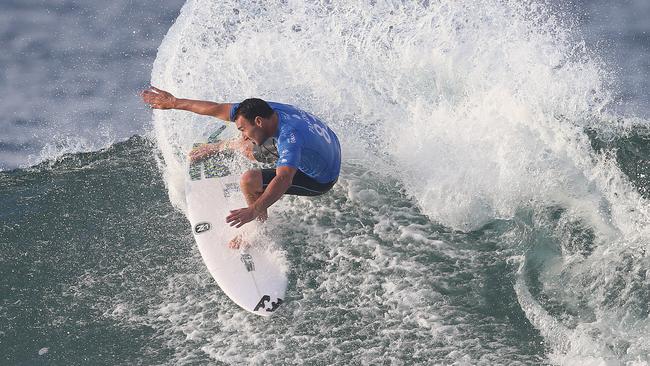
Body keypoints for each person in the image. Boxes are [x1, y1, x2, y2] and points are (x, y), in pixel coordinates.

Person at [140, 86, 341, 235]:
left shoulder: (289, 138)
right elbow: (217, 108)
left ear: (259, 122)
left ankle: (257, 231)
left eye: (243, 128)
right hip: (329, 144)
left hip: (322, 177)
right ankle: (226, 145)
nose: (243, 132)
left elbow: (284, 179)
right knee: (249, 144)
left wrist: (253, 210)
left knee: (248, 180)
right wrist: (175, 103)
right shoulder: (266, 111)